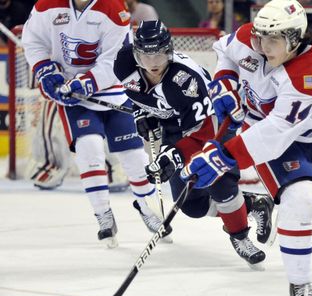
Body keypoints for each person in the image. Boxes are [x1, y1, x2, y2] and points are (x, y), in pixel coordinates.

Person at [183, 0, 312, 296]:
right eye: (260, 38)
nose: (262, 46)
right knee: (299, 200)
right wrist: (226, 81)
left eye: (273, 40)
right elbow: (224, 50)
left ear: (296, 39)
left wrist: (225, 156)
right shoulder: (250, 38)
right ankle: (300, 285)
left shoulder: (310, 68)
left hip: (311, 138)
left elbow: (280, 128)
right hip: (270, 139)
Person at [113, 20, 274, 269]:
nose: (153, 63)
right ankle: (254, 203)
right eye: (146, 56)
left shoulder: (186, 82)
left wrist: (173, 155)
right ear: (136, 54)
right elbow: (139, 96)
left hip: (213, 126)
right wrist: (143, 113)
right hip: (176, 127)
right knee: (192, 205)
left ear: (168, 51)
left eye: (159, 54)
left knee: (218, 181)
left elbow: (203, 134)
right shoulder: (123, 64)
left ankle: (241, 236)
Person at [21, 0, 171, 248]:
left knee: (134, 155)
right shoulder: (46, 5)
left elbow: (116, 59)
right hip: (73, 94)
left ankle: (149, 208)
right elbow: (33, 40)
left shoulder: (114, 9)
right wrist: (45, 70)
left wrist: (88, 82)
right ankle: (103, 214)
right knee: (89, 147)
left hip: (112, 89)